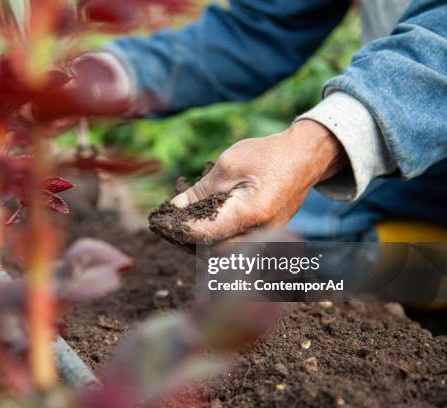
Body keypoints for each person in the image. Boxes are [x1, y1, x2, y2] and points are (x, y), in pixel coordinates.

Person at [62, 0, 447, 244]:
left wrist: (318, 145)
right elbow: (258, 29)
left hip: (422, 139)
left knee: (311, 270)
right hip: (402, 159)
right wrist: (106, 77)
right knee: (247, 260)